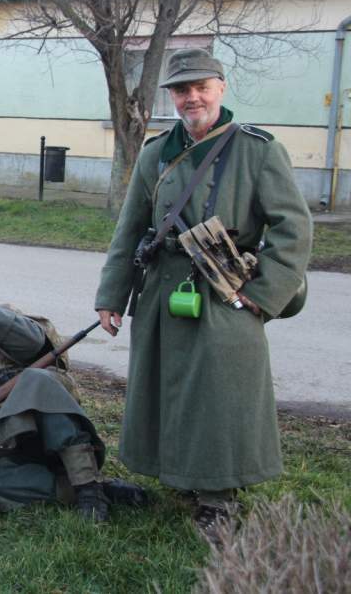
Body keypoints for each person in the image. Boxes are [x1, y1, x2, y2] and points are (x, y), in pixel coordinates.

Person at [94, 49, 312, 538]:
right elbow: (129, 231)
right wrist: (112, 296)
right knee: (168, 392)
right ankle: (183, 478)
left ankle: (219, 500)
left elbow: (293, 228)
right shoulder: (155, 154)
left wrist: (264, 291)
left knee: (219, 396)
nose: (192, 97)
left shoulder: (257, 150)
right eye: (181, 89)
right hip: (163, 294)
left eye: (201, 86)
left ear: (220, 87)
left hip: (225, 289)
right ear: (171, 95)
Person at [0, 273, 147, 521]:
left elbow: (33, 344)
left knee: (40, 381)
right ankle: (86, 488)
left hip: (34, 425)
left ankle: (88, 489)